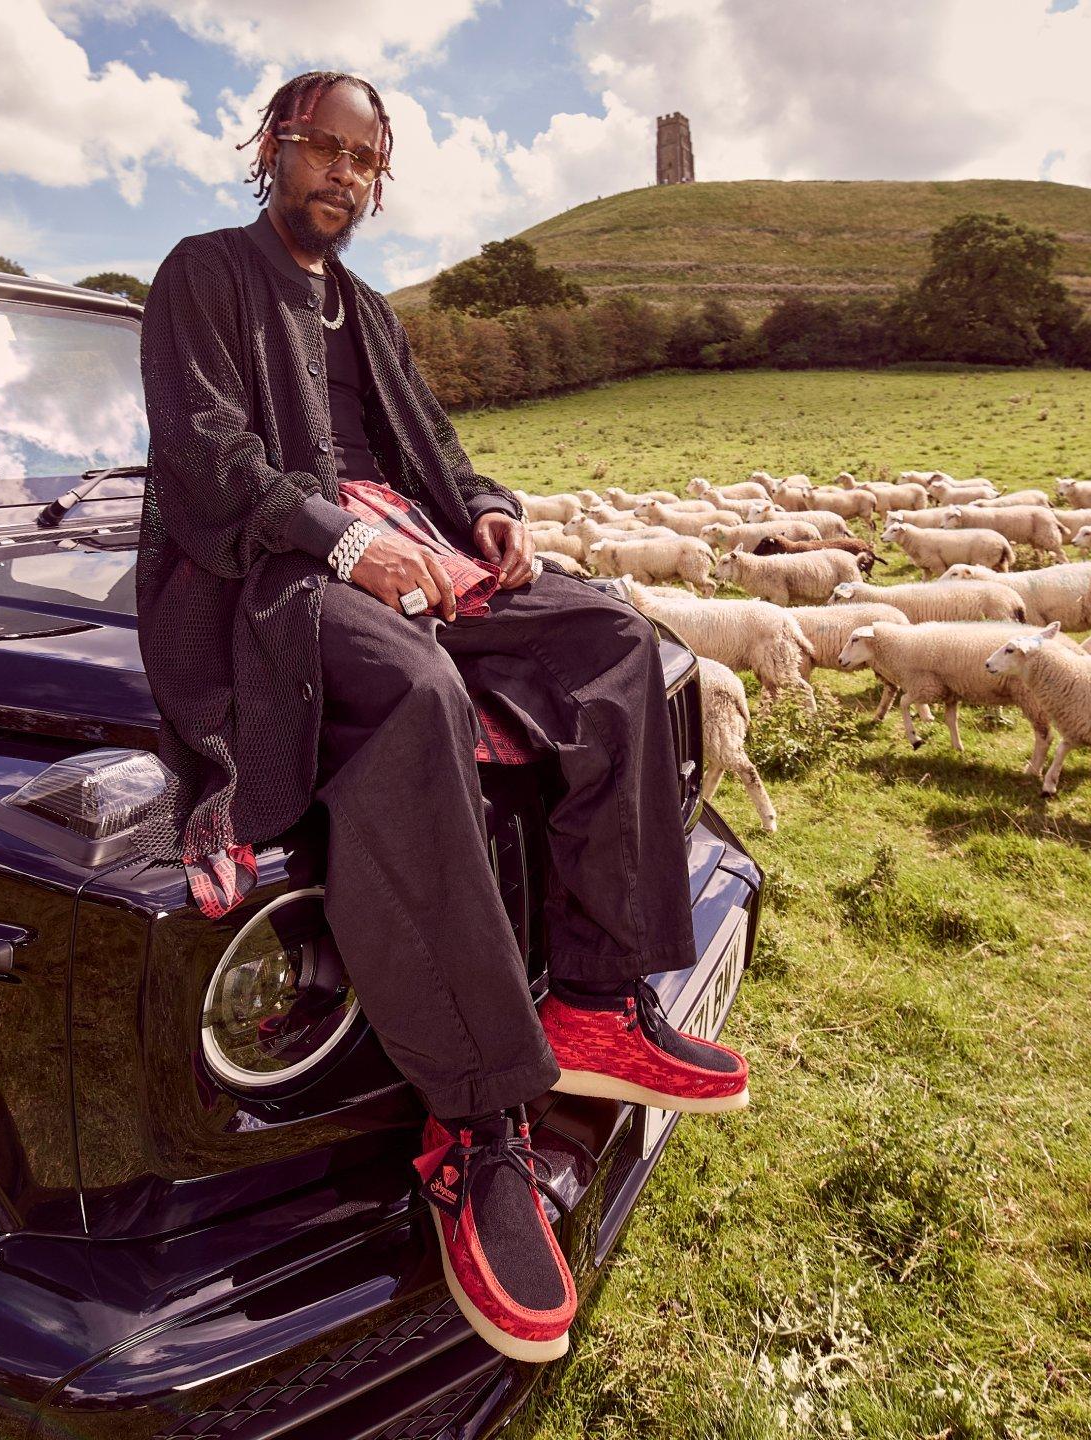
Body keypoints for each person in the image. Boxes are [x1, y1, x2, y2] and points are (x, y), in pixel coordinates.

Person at [134, 69, 750, 1364]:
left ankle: (591, 999)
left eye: (369, 159)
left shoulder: (363, 310)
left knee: (615, 641)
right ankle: (476, 1132)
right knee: (412, 694)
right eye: (325, 148)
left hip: (412, 545)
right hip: (271, 567)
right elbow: (203, 452)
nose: (346, 175)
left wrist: (487, 510)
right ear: (274, 150)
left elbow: (437, 447)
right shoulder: (203, 273)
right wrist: (342, 541)